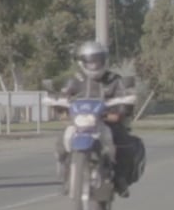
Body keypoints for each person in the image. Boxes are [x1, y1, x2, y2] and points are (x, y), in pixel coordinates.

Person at [55, 40, 143, 196]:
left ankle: (120, 179)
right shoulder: (75, 79)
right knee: (61, 142)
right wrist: (59, 105)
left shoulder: (114, 79)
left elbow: (125, 98)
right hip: (81, 122)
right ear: (82, 62)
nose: (94, 65)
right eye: (90, 61)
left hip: (107, 121)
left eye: (97, 61)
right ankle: (67, 177)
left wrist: (122, 109)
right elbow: (64, 95)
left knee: (124, 143)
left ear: (104, 60)